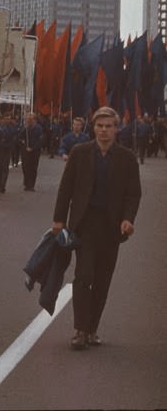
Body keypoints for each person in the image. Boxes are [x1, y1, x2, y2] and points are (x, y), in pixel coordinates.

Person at [52, 106, 141, 350]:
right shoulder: (80, 152)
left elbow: (133, 194)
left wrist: (128, 219)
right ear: (94, 128)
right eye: (100, 126)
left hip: (112, 228)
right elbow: (66, 188)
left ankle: (92, 330)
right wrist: (59, 219)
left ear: (116, 129)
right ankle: (80, 330)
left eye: (108, 126)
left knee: (103, 279)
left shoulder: (127, 157)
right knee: (84, 276)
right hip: (85, 223)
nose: (104, 130)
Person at [20, 112, 43, 191]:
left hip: (35, 150)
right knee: (25, 167)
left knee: (33, 167)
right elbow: (20, 136)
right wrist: (25, 128)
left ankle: (31, 185)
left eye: (31, 119)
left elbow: (39, 141)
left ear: (34, 120)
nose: (29, 121)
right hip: (25, 150)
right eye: (28, 119)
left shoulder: (38, 128)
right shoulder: (25, 127)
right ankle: (26, 183)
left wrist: (32, 148)